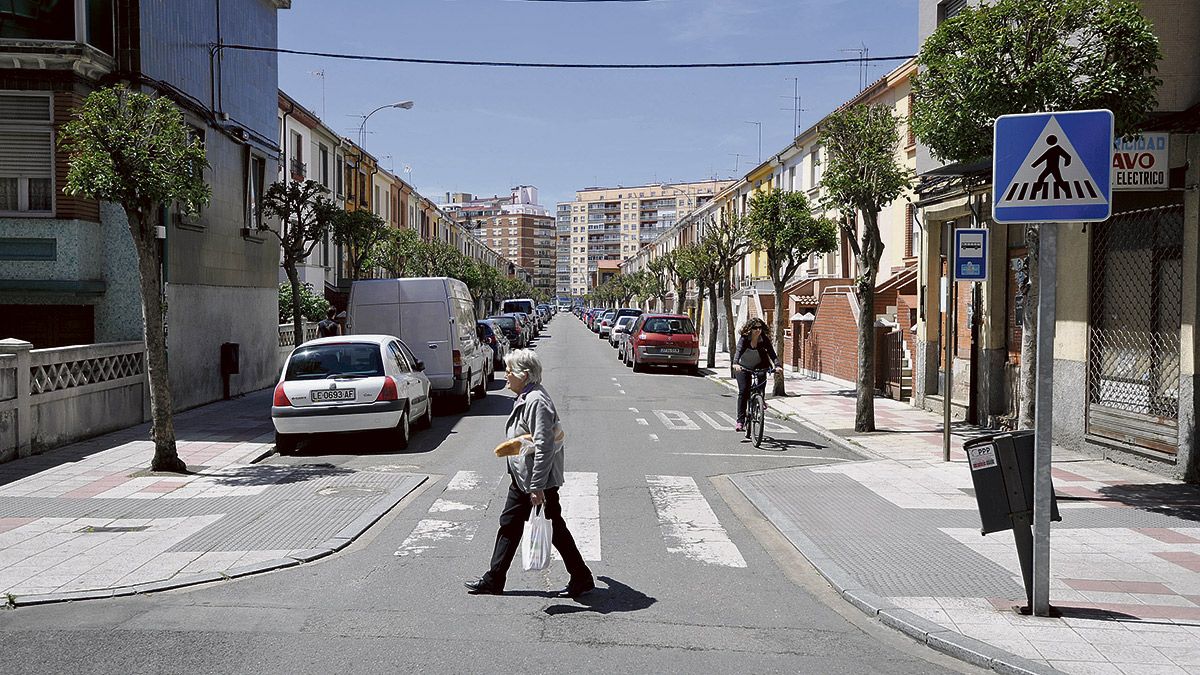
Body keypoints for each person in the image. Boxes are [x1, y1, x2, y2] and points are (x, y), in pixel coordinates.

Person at [465, 349, 595, 598]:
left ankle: (581, 576)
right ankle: (495, 579)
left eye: (510, 371)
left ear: (524, 375)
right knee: (511, 524)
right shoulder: (528, 395)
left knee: (551, 527)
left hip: (536, 479)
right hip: (524, 478)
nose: (506, 375)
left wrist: (536, 486)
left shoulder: (536, 401)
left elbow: (545, 445)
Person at [732, 318, 779, 432]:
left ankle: (760, 399)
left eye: (760, 328)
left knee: (762, 376)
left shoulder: (764, 340)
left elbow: (772, 353)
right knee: (744, 391)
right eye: (755, 328)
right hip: (743, 367)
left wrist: (777, 365)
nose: (758, 330)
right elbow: (738, 351)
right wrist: (735, 363)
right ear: (750, 329)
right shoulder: (744, 339)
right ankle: (740, 421)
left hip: (758, 365)